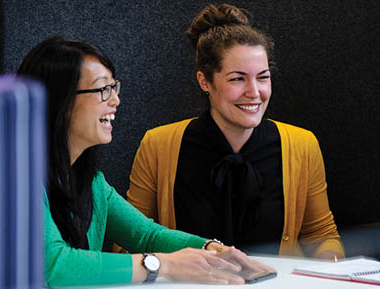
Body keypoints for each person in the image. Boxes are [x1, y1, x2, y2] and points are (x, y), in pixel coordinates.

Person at [18, 36, 272, 287]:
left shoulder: (92, 182)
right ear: (57, 100)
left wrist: (215, 250)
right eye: (102, 89)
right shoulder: (17, 179)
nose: (115, 101)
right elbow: (55, 266)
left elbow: (147, 236)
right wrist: (164, 265)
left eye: (114, 88)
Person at [125, 4, 344, 259]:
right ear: (204, 81)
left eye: (263, 77)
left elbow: (322, 236)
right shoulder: (158, 145)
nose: (254, 92)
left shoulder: (302, 144)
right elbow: (130, 240)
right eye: (237, 79)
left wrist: (333, 265)